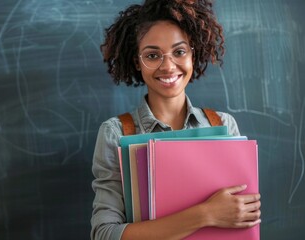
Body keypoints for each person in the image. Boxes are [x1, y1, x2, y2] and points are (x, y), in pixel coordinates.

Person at [90, 0, 261, 239]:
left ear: (194, 53)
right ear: (137, 62)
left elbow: (241, 217)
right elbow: (104, 234)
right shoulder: (115, 133)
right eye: (152, 55)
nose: (168, 66)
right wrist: (205, 214)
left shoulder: (222, 125)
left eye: (179, 52)